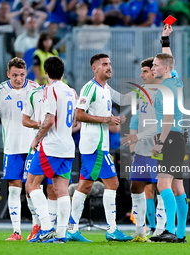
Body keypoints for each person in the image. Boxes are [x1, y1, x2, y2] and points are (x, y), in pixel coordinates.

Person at [122, 33, 188, 243]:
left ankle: (168, 229)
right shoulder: (175, 81)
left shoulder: (166, 89)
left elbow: (167, 119)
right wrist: (165, 40)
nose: (154, 68)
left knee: (162, 185)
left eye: (156, 66)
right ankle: (181, 234)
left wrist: (159, 143)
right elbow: (168, 58)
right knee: (178, 188)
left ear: (165, 69)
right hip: (178, 137)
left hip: (169, 137)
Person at [66, 53, 132, 242]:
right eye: (104, 64)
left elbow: (124, 99)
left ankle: (72, 229)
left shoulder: (106, 88)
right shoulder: (89, 88)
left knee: (84, 186)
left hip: (95, 145)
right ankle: (112, 229)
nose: (109, 67)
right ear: (94, 69)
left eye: (110, 63)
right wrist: (107, 119)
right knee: (113, 184)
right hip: (95, 146)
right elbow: (79, 114)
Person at [0, 57, 40, 241]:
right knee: (14, 189)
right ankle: (16, 232)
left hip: (33, 147)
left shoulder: (35, 88)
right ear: (8, 74)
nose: (18, 79)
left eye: (21, 75)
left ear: (26, 74)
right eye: (14, 75)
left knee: (33, 189)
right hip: (12, 148)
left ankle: (36, 229)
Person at [26, 56, 78, 243]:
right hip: (68, 147)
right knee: (61, 188)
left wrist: (36, 138)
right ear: (62, 73)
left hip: (51, 147)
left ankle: (47, 228)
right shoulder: (71, 91)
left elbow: (48, 120)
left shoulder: (49, 90)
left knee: (31, 184)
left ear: (45, 73)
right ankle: (62, 234)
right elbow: (74, 121)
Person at [21, 85, 58, 241]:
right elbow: (24, 120)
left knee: (53, 187)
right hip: (37, 147)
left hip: (54, 146)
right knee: (29, 187)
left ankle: (50, 227)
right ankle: (38, 224)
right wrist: (40, 125)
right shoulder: (34, 94)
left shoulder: (62, 92)